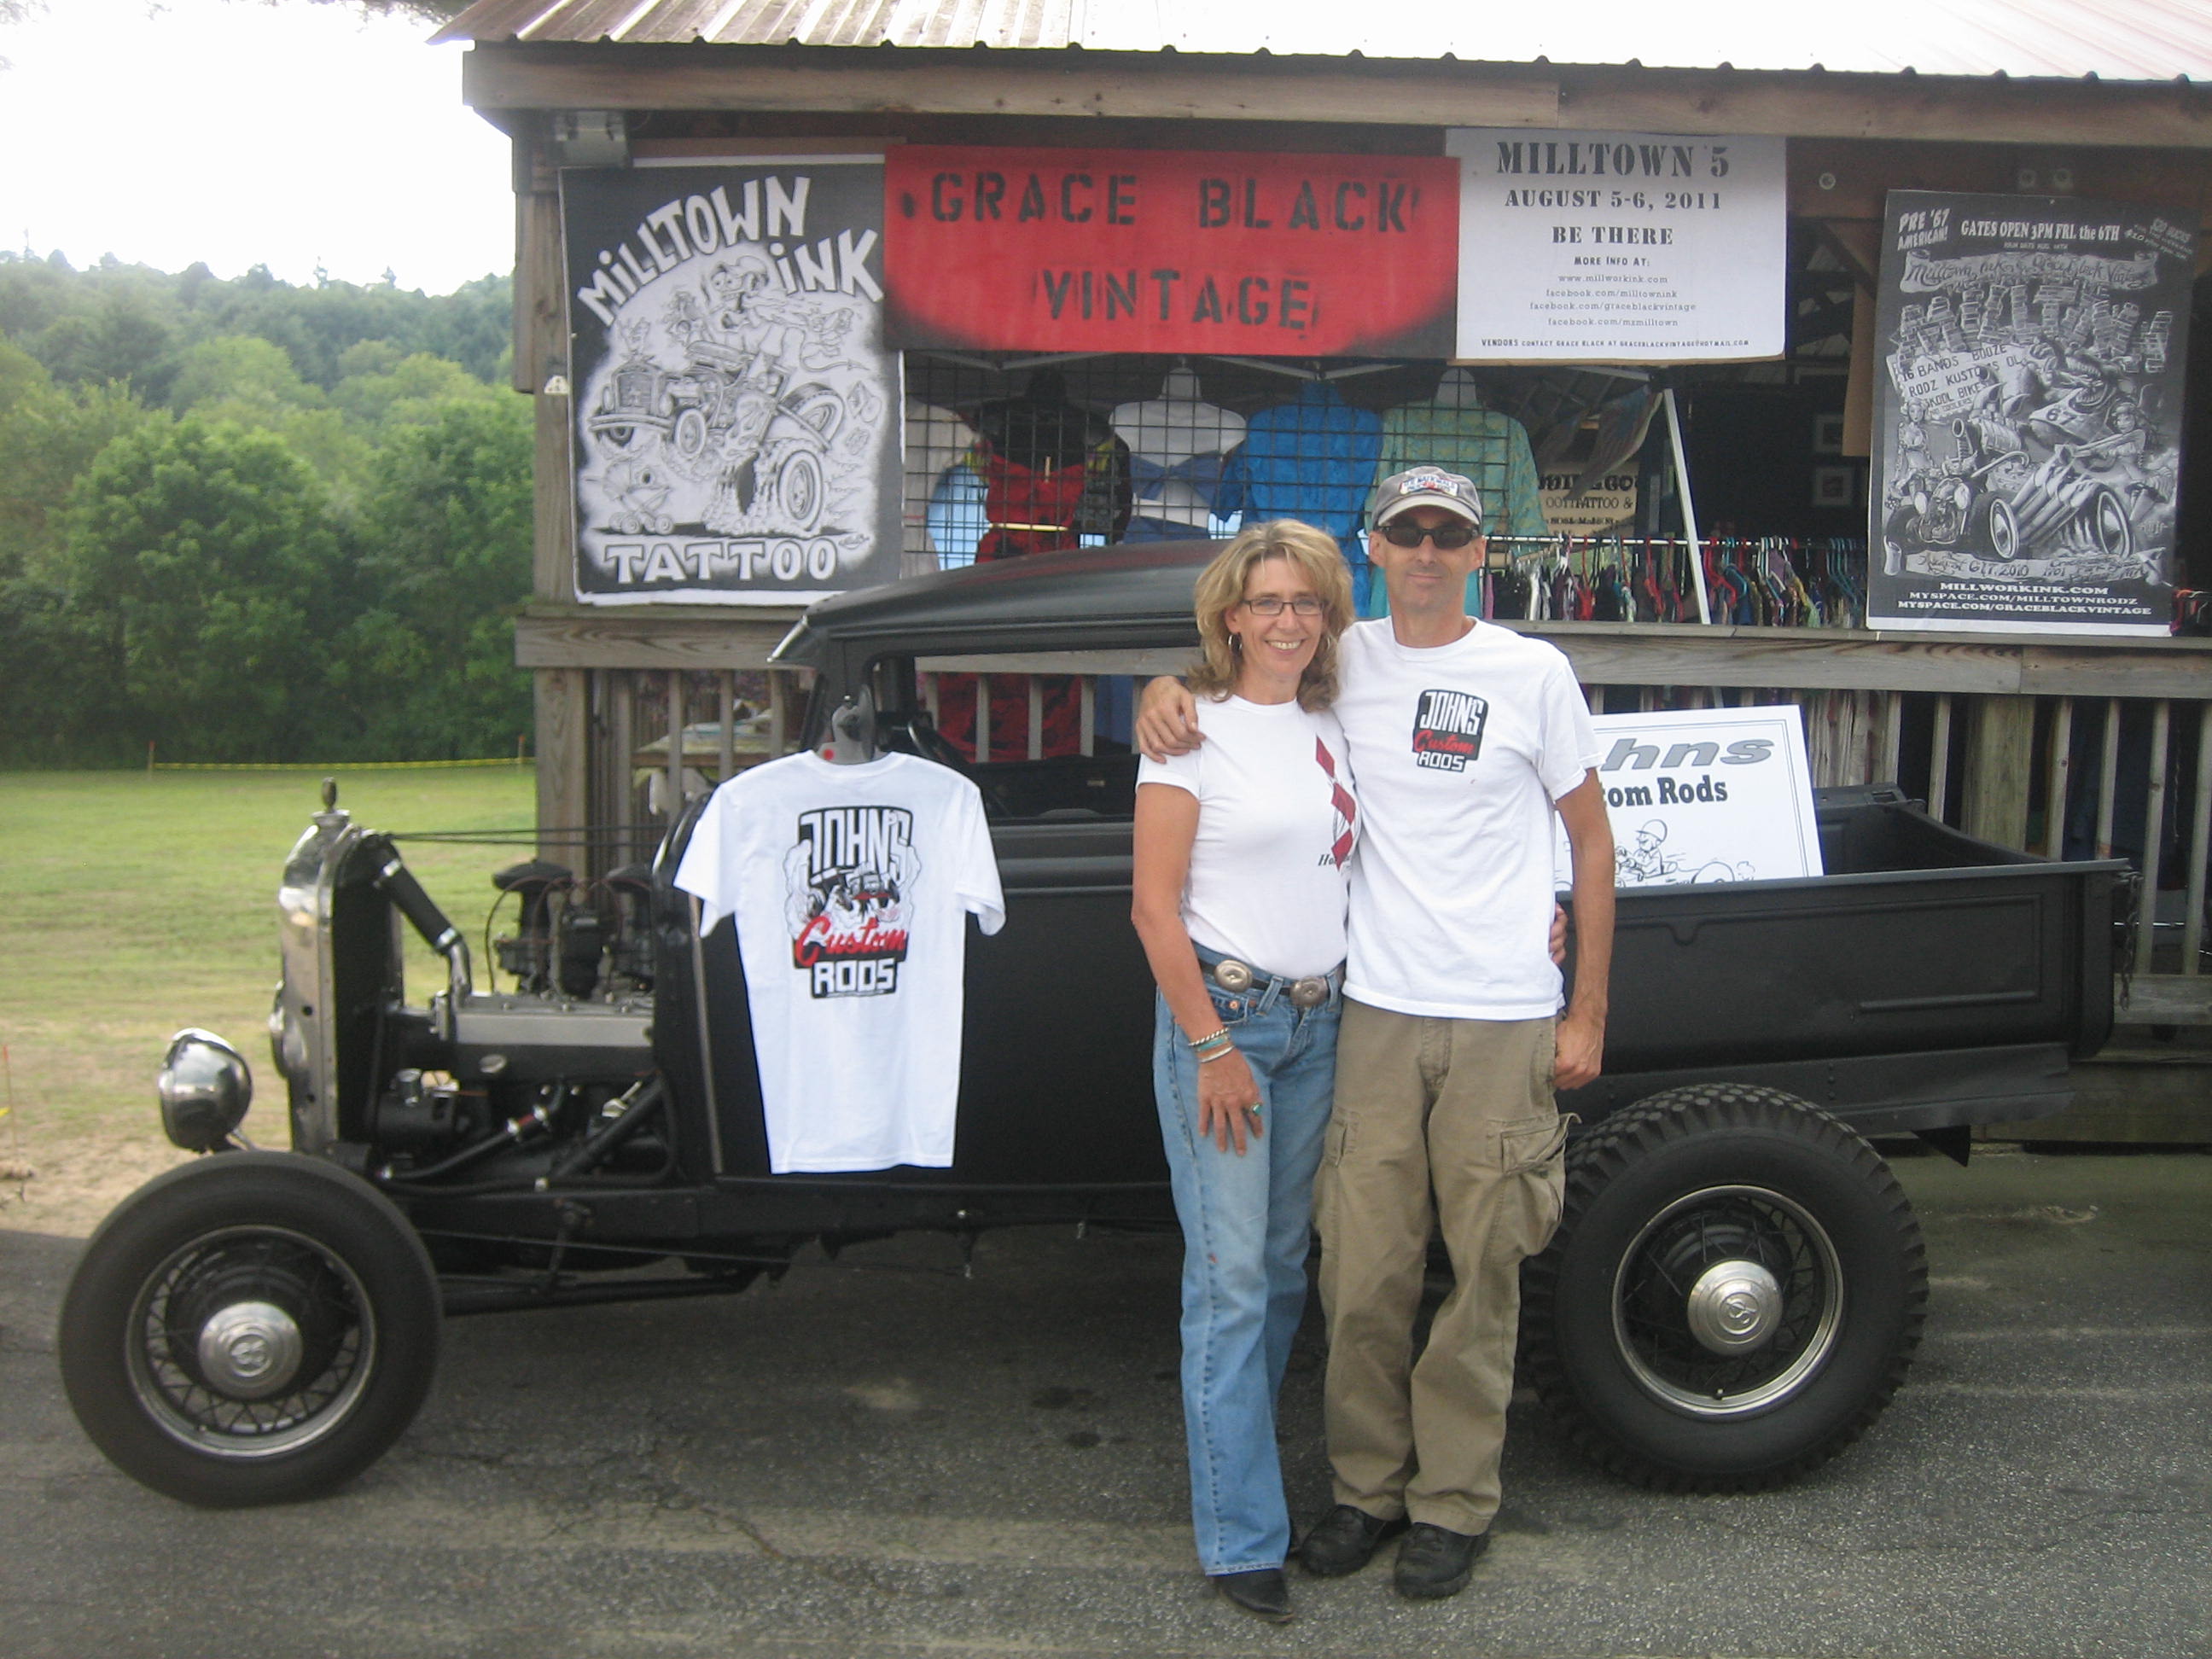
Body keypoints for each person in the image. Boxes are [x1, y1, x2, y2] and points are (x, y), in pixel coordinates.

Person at [1138, 467, 1615, 1602]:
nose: (1429, 552)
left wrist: (1587, 1005)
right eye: (1409, 533)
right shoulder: (1339, 666)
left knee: (1482, 1271)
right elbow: (1229, 683)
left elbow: (1590, 841)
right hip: (1372, 1013)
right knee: (1359, 1273)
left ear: (1479, 551)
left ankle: (1453, 1502)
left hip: (1500, 1011)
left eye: (1451, 534)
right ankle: (1366, 1491)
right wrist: (1161, 688)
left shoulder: (1532, 673)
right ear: (1378, 548)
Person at [1129, 521, 1359, 1625]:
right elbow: (1152, 908)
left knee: (1280, 1270)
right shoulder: (1189, 731)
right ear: (1230, 615)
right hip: (1228, 1022)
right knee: (1228, 1283)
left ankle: (1246, 1484)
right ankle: (1240, 1536)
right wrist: (1212, 1047)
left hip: (1322, 1022)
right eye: (1267, 601)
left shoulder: (1335, 719)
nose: (1286, 620)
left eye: (1305, 602)